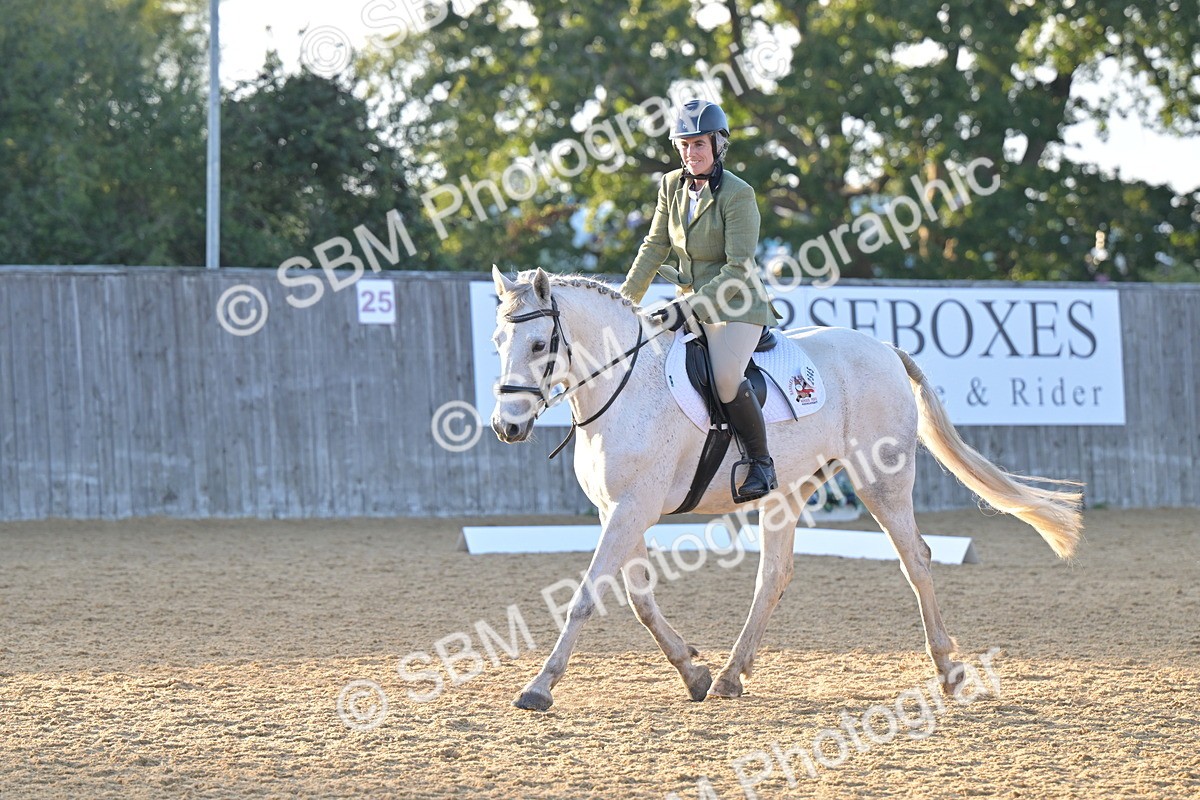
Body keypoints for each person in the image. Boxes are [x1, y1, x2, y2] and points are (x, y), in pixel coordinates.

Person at [619, 99, 780, 501]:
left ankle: (761, 462)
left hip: (737, 303)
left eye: (699, 145)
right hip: (687, 299)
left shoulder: (739, 194)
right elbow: (654, 246)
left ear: (718, 144)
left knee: (725, 378)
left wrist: (688, 307)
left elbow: (738, 268)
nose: (691, 153)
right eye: (685, 145)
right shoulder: (670, 185)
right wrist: (623, 303)